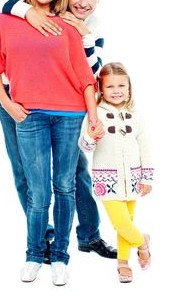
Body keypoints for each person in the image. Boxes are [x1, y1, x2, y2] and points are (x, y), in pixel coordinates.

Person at [0, 0, 117, 259]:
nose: (82, 2)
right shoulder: (32, 8)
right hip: (13, 97)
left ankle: (89, 235)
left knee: (74, 172)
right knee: (24, 170)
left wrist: (85, 36)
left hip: (65, 106)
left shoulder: (91, 24)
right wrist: (27, 11)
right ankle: (42, 236)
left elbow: (90, 74)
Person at [78, 62, 154, 283]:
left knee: (128, 220)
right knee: (121, 223)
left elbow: (146, 147)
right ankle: (142, 242)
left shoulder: (136, 115)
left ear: (129, 88)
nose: (117, 91)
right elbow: (84, 146)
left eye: (121, 85)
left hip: (133, 178)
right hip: (107, 179)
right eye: (110, 87)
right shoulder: (95, 114)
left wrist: (147, 177)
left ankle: (123, 262)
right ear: (101, 89)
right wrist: (92, 136)